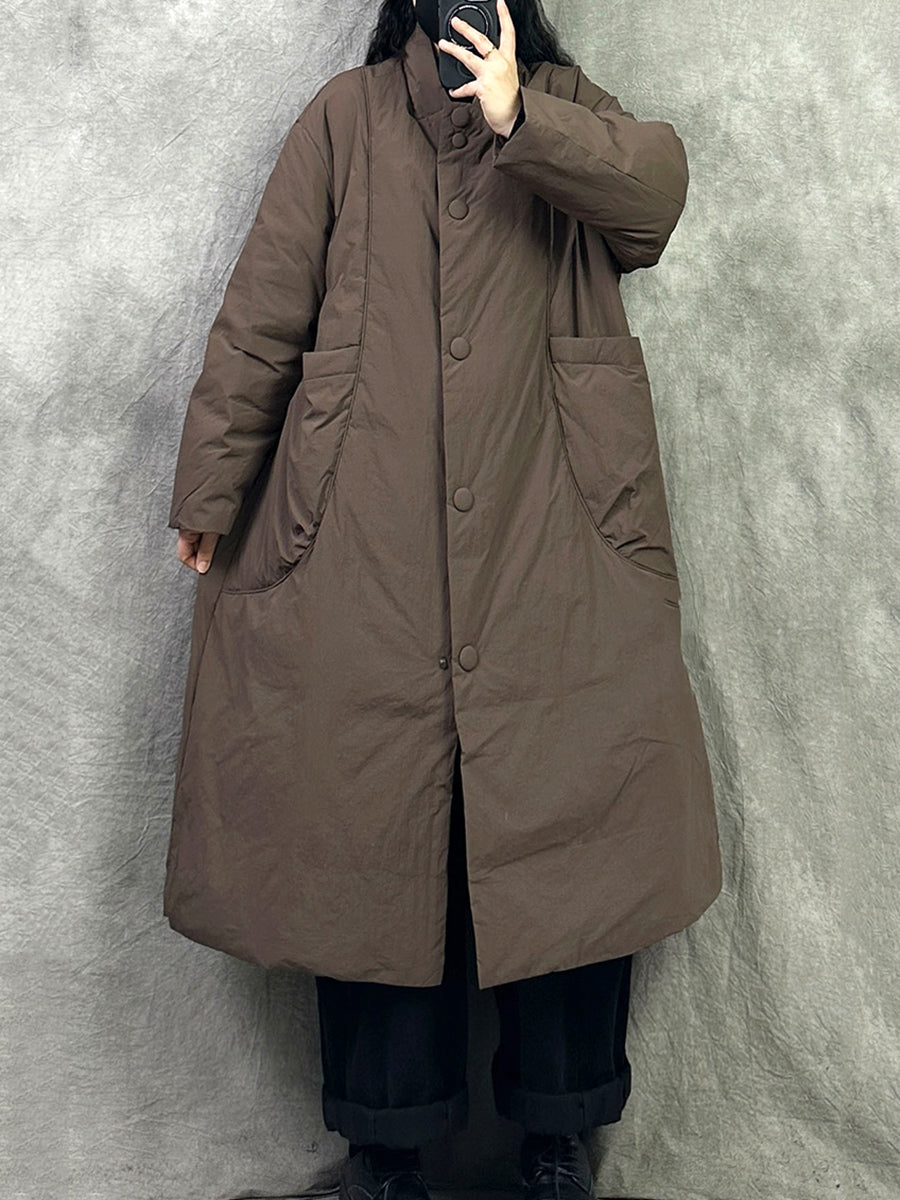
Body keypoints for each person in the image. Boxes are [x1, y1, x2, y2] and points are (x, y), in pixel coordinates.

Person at [165, 2, 723, 1197]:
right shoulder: (344, 122)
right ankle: (386, 1148)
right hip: (362, 536)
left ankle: (558, 1138)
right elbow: (262, 314)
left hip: (557, 523)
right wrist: (212, 482)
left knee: (572, 813)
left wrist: (525, 122)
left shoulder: (569, 110)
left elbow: (655, 201)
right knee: (366, 826)